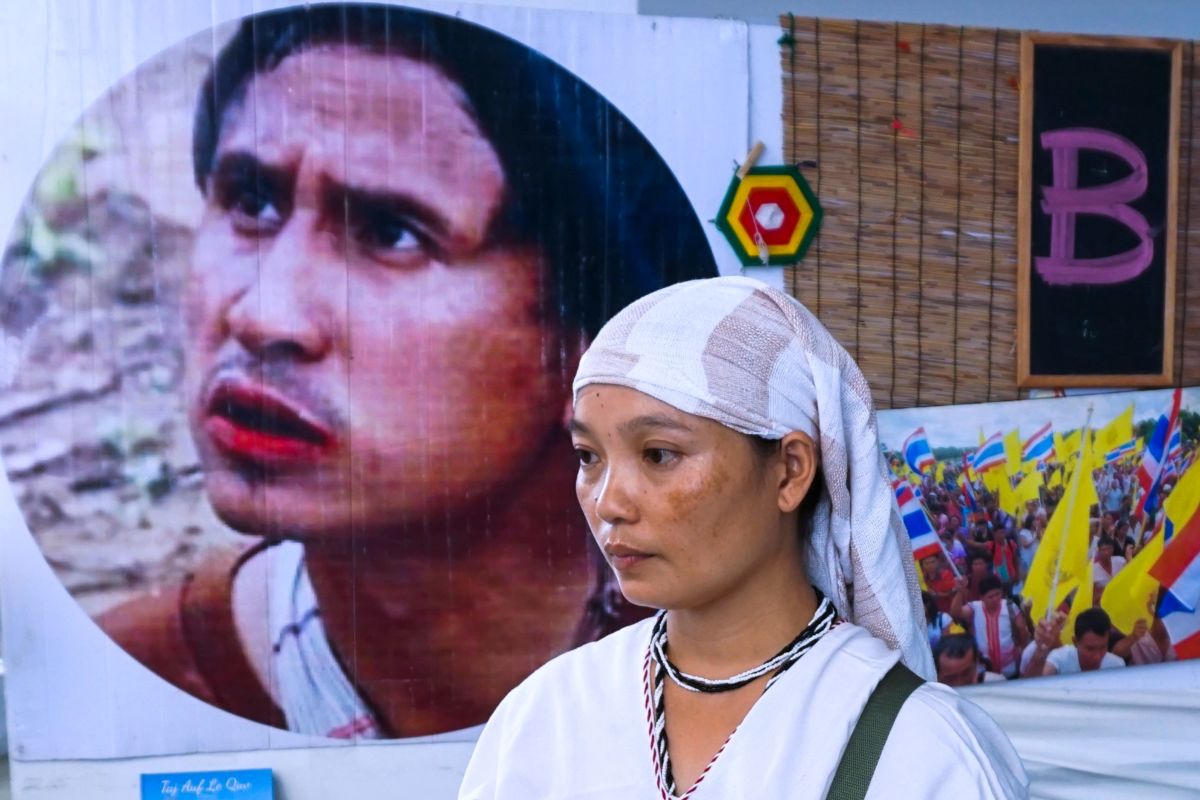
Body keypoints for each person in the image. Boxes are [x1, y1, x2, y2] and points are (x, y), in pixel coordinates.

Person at [95, 4, 717, 739]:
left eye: (391, 232)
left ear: (590, 344)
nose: (265, 317)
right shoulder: (131, 680)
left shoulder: (728, 672)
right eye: (252, 201)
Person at [460, 277, 1027, 798]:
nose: (609, 501)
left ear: (789, 471)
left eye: (659, 454)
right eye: (588, 457)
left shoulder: (920, 751)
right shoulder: (544, 720)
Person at [951, 574, 1030, 679]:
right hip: (985, 670)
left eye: (998, 594)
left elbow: (1022, 630)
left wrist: (1023, 651)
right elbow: (956, 612)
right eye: (990, 597)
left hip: (1010, 667)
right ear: (982, 598)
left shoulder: (1010, 607)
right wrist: (960, 591)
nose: (995, 599)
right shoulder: (975, 608)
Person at [1022, 607, 1126, 677]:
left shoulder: (1117, 666)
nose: (1097, 656)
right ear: (1075, 642)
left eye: (1103, 647)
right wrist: (1041, 651)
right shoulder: (1059, 658)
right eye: (1090, 649)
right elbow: (1034, 684)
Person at [934, 633, 1005, 687]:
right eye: (951, 678)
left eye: (966, 674)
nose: (960, 683)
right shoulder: (930, 698)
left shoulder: (996, 684)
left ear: (976, 664)